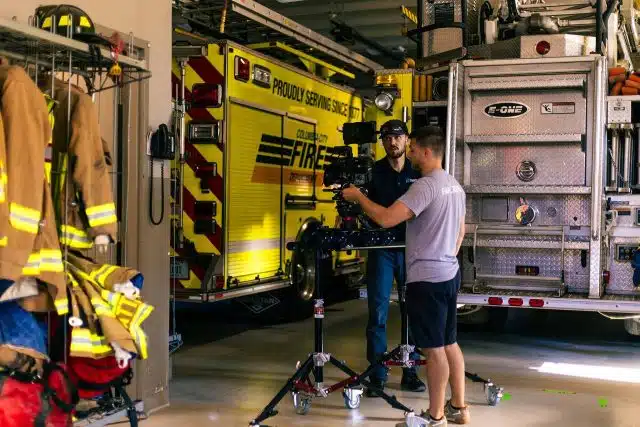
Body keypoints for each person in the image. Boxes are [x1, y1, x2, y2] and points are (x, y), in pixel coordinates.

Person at [342, 126, 470, 426]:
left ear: (426, 152)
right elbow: (461, 230)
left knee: (434, 350)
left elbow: (387, 218)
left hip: (428, 278)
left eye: (412, 147)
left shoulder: (424, 187)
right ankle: (459, 408)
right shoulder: (454, 185)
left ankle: (436, 417)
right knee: (450, 342)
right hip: (449, 273)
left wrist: (359, 197)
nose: (408, 152)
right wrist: (445, 255)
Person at [361, 119, 425, 397]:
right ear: (382, 142)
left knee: (412, 310)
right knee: (378, 313)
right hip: (382, 251)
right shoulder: (374, 173)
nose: (392, 142)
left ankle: (409, 371)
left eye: (397, 137)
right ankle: (378, 374)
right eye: (387, 138)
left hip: (411, 249)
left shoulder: (419, 172)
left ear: (407, 140)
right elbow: (365, 208)